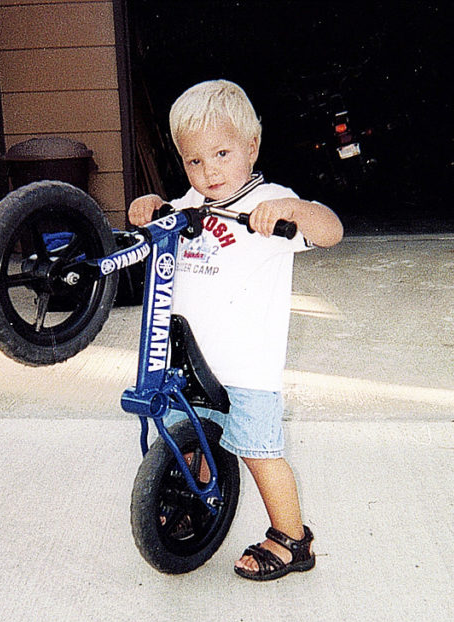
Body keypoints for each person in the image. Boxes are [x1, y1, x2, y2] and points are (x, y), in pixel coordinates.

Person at [128, 79, 343, 581]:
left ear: (252, 146)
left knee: (257, 451)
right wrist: (150, 205)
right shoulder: (190, 205)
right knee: (197, 442)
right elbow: (157, 223)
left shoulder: (268, 201)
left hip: (246, 368)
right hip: (193, 364)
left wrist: (292, 211)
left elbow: (330, 230)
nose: (209, 171)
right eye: (194, 161)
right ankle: (197, 509)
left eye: (222, 153)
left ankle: (292, 539)